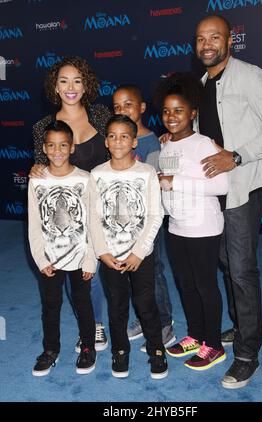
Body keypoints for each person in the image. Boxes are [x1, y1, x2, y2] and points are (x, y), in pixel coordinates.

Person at [194, 14, 262, 388]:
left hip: (244, 184)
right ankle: (239, 328)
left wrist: (237, 156)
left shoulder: (250, 75)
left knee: (240, 269)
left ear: (230, 40)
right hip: (216, 189)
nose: (207, 44)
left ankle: (247, 353)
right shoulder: (202, 84)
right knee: (225, 261)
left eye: (214, 37)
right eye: (201, 38)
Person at [30, 56, 112, 353]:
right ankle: (96, 325)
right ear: (55, 86)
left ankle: (117, 320)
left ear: (86, 84)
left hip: (106, 206)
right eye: (63, 81)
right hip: (69, 217)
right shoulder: (44, 126)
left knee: (104, 267)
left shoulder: (101, 115)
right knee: (76, 271)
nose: (71, 87)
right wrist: (35, 169)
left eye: (77, 80)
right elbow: (43, 170)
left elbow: (122, 142)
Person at [155, 72, 229, 372]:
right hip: (176, 227)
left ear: (193, 113)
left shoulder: (204, 144)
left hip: (203, 227)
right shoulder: (165, 145)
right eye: (167, 111)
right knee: (185, 285)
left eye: (179, 110)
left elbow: (221, 186)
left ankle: (215, 345)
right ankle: (196, 336)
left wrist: (177, 181)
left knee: (205, 286)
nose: (172, 117)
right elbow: (166, 184)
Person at [89, 114, 168, 379]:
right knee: (117, 305)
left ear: (134, 141)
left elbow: (156, 215)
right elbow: (93, 217)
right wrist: (102, 251)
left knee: (146, 303)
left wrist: (139, 251)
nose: (118, 141)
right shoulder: (97, 174)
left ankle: (157, 349)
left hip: (140, 255)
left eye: (125, 136)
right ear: (106, 142)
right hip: (110, 256)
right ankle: (120, 351)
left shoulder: (145, 173)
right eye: (112, 136)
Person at [28, 120, 97, 376]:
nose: (57, 151)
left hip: (80, 256)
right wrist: (40, 258)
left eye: (63, 145)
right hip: (50, 258)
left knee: (83, 303)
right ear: (44, 149)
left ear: (72, 148)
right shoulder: (37, 180)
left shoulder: (85, 179)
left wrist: (91, 259)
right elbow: (34, 224)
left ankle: (88, 347)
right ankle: (50, 350)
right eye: (51, 146)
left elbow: (92, 223)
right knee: (50, 305)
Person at [112, 85, 176, 352]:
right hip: (123, 220)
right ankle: (143, 318)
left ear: (141, 108)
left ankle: (164, 325)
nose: (122, 110)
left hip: (150, 219)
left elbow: (164, 184)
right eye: (116, 107)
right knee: (130, 273)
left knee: (154, 271)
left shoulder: (155, 143)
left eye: (128, 105)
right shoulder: (116, 140)